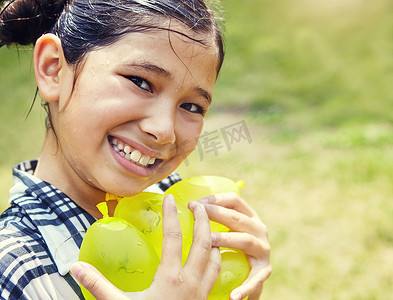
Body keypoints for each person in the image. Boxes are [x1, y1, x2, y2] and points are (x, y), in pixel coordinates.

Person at [0, 0, 272, 299]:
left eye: (192, 106)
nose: (164, 130)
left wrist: (243, 288)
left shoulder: (186, 217)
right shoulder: (16, 270)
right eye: (140, 82)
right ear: (53, 69)